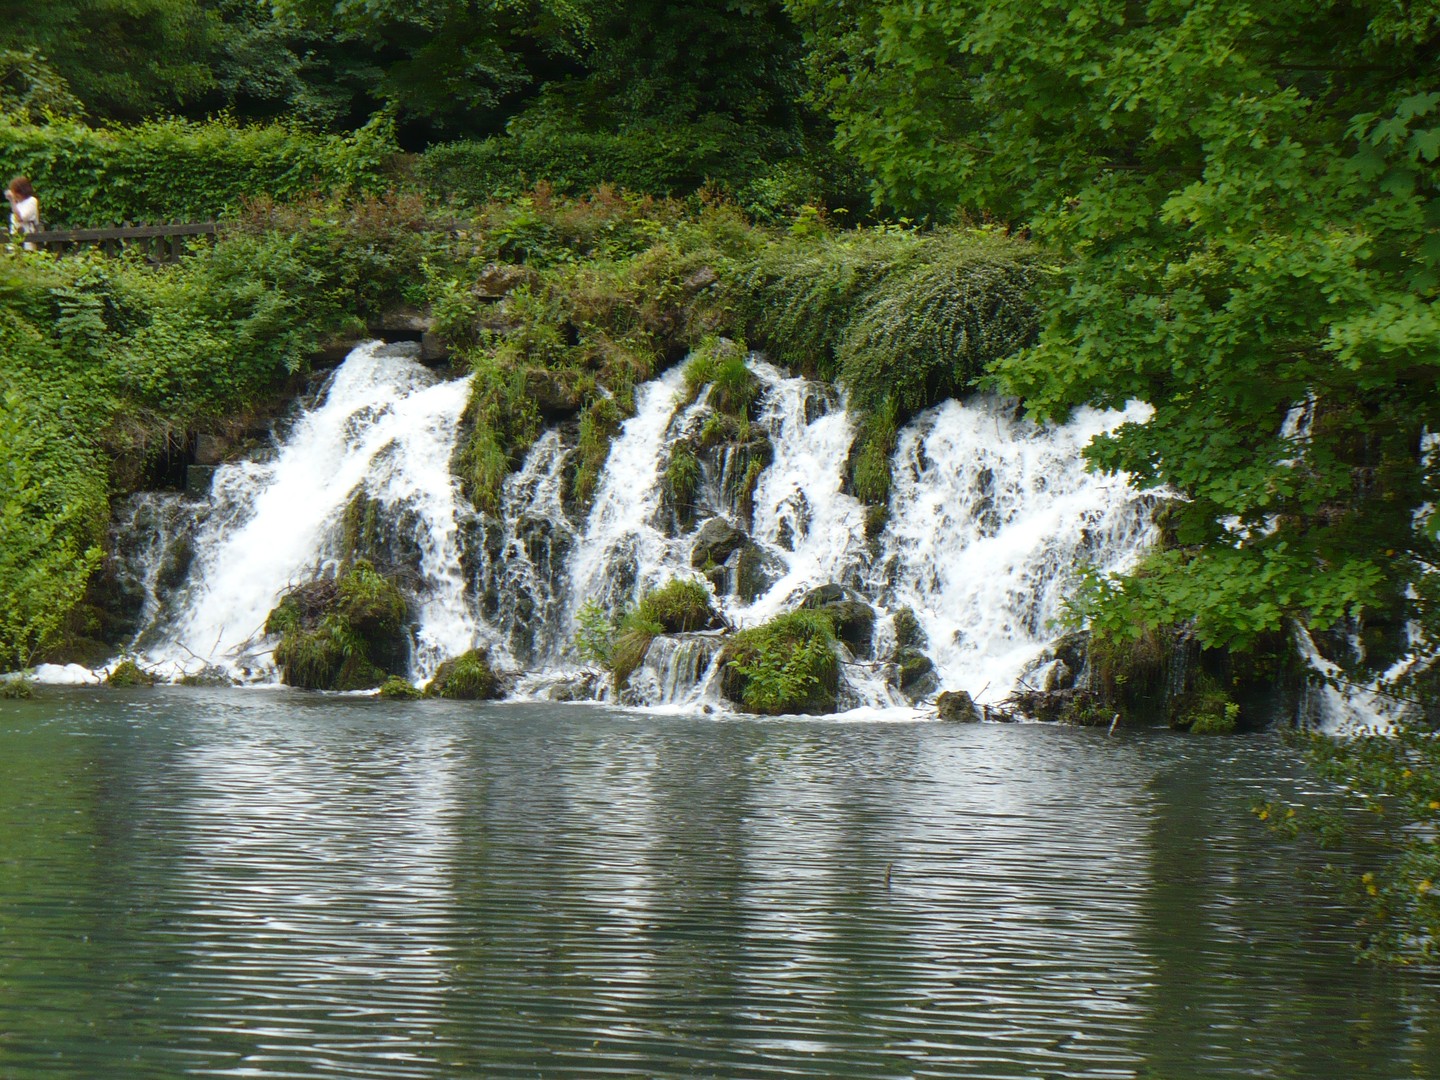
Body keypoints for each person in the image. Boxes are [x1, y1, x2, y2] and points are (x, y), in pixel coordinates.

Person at [6, 176, 40, 250]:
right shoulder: (18, 204)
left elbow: (20, 218)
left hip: (27, 242)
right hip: (15, 239)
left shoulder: (31, 201)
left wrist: (12, 201)